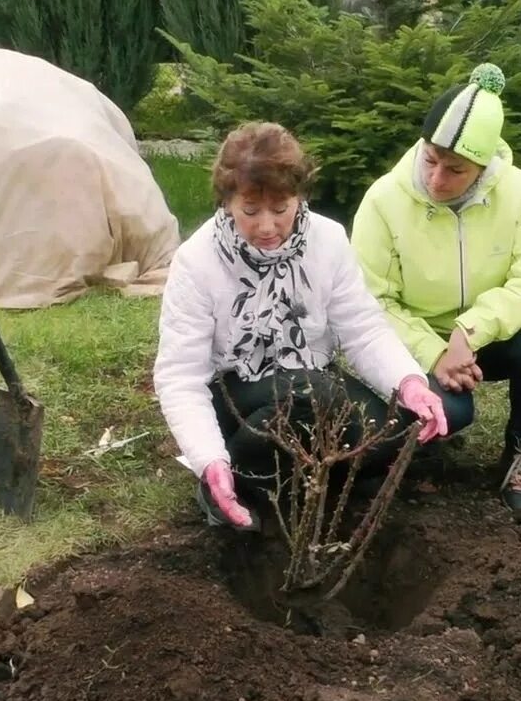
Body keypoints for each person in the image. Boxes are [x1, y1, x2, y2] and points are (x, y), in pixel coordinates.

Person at [153, 121, 448, 531]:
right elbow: (180, 376)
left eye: (281, 209)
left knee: (398, 431)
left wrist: (410, 383)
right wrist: (209, 459)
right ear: (227, 202)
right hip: (237, 394)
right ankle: (228, 481)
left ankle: (296, 478)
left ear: (300, 196)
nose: (268, 227)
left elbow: (362, 328)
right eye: (250, 212)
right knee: (313, 392)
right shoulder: (198, 261)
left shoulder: (327, 240)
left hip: (311, 382)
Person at [350, 63, 521, 511]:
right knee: (454, 412)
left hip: (482, 337)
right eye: (430, 160)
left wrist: (467, 333)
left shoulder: (518, 191)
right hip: (416, 342)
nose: (435, 180)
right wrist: (436, 353)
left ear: (484, 168)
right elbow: (372, 302)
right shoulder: (384, 200)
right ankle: (403, 452)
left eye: (455, 170)